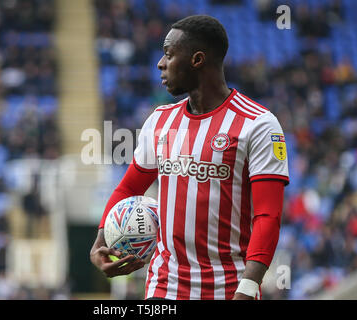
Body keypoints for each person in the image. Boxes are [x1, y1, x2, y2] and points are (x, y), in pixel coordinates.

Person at [90, 15, 289, 300]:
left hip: (229, 289)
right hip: (164, 288)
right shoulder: (160, 121)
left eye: (169, 55)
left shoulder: (258, 125)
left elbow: (268, 215)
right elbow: (128, 189)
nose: (160, 63)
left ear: (197, 60)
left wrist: (248, 287)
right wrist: (101, 239)